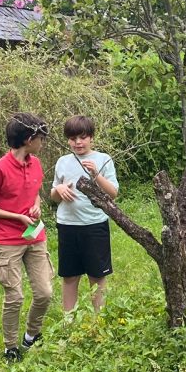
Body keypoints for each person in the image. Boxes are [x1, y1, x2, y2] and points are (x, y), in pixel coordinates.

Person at [0, 112, 53, 361]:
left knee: (44, 293)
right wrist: (17, 217)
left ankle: (32, 335)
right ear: (28, 139)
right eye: (40, 138)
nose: (42, 142)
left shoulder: (36, 163)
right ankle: (11, 346)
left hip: (35, 235)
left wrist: (36, 205)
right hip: (8, 240)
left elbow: (34, 192)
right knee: (15, 297)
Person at [50, 115, 119, 316]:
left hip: (94, 224)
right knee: (70, 276)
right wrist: (59, 189)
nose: (78, 142)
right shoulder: (62, 161)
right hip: (67, 225)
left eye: (82, 137)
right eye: (72, 138)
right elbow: (54, 196)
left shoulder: (103, 159)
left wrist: (96, 175)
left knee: (97, 276)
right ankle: (68, 320)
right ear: (67, 140)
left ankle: (98, 320)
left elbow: (113, 193)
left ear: (91, 137)